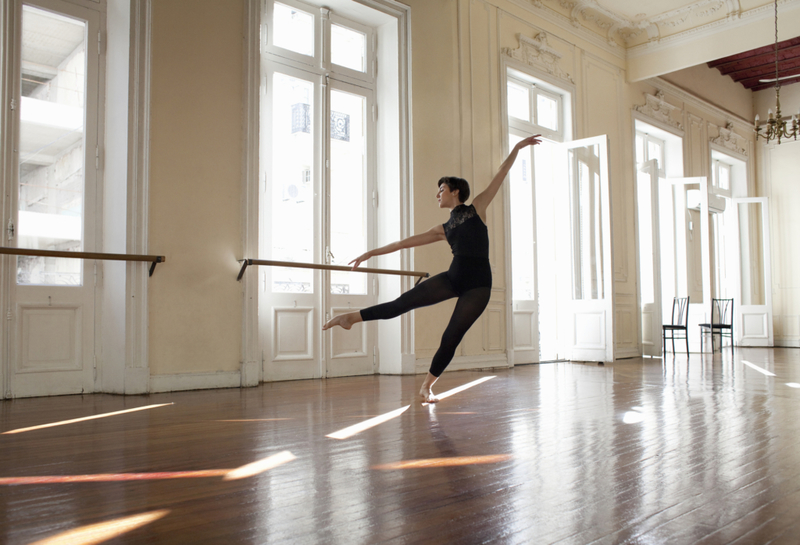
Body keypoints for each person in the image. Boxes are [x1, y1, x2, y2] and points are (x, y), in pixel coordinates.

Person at [323, 134, 543, 403]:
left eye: (442, 189)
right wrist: (371, 253)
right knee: (401, 303)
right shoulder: (443, 229)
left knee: (451, 336)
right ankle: (351, 318)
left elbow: (502, 172)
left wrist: (518, 147)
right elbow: (402, 243)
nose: (437, 194)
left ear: (455, 192)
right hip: (453, 279)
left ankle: (427, 387)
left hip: (478, 286)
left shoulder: (477, 209)